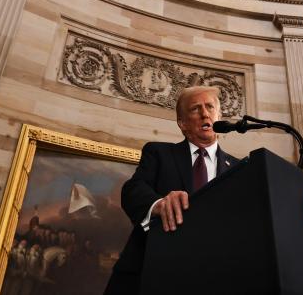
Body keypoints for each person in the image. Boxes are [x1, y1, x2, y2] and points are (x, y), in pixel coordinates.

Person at [103, 86, 240, 294]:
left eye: (210, 107)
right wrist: (159, 204)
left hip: (213, 278)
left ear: (219, 115)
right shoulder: (159, 153)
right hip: (151, 273)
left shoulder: (239, 169)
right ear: (182, 124)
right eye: (196, 109)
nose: (205, 113)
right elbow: (132, 190)